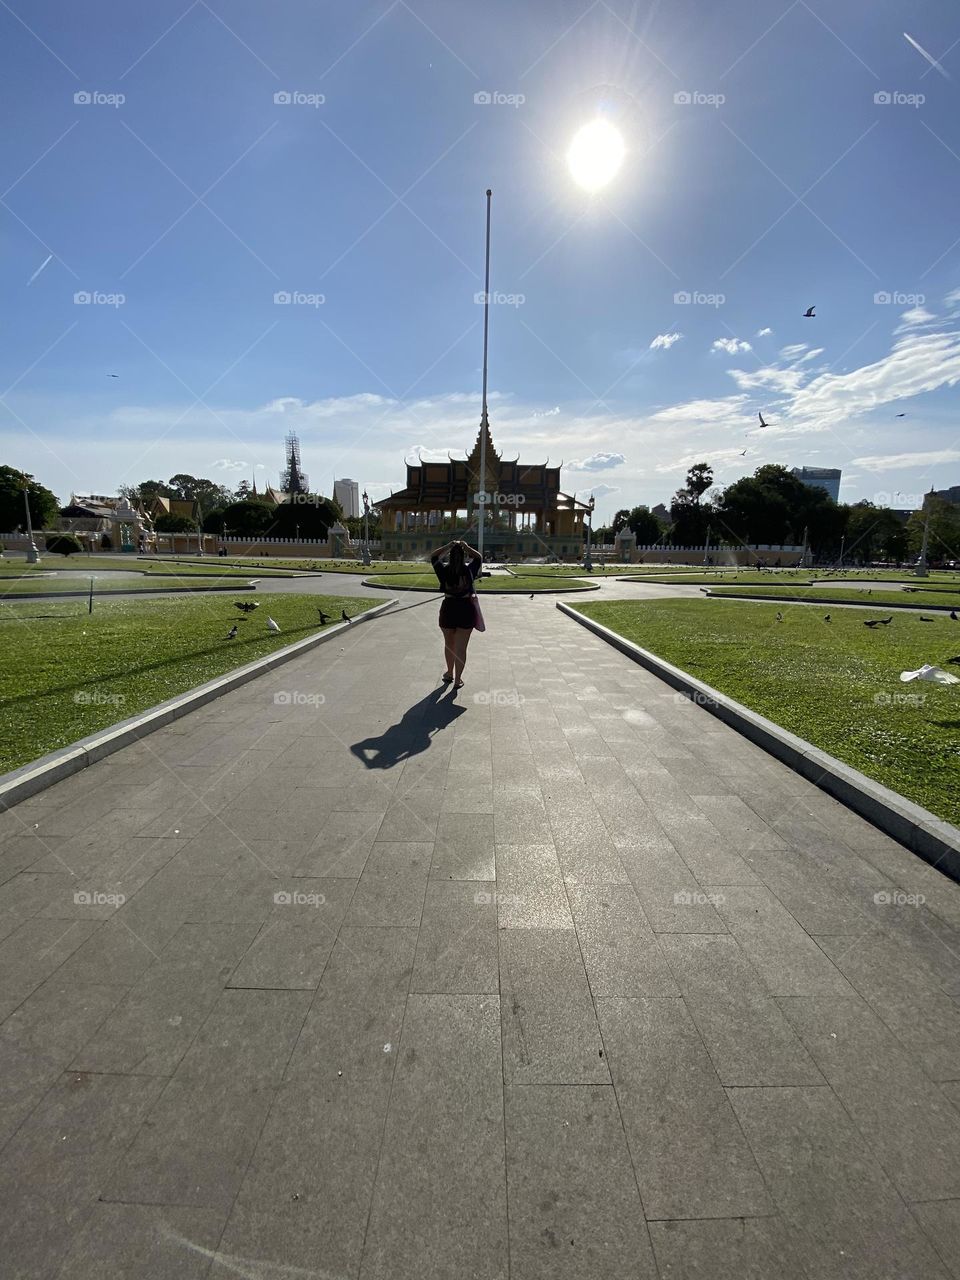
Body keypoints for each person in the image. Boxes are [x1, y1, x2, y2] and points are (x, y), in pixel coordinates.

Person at [430, 539, 482, 689]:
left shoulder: (444, 571)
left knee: (449, 644)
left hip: (448, 608)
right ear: (464, 556)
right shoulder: (469, 570)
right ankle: (458, 679)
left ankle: (449, 673)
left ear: (450, 556)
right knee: (461, 648)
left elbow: (433, 557)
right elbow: (478, 557)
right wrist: (466, 546)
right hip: (466, 609)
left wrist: (448, 546)